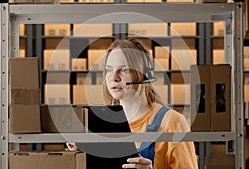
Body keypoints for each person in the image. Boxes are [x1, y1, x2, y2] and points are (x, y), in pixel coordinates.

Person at [68, 39, 198, 169]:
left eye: (124, 70)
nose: (114, 77)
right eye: (109, 70)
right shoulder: (98, 125)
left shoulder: (173, 123)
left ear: (145, 74)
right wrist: (80, 154)